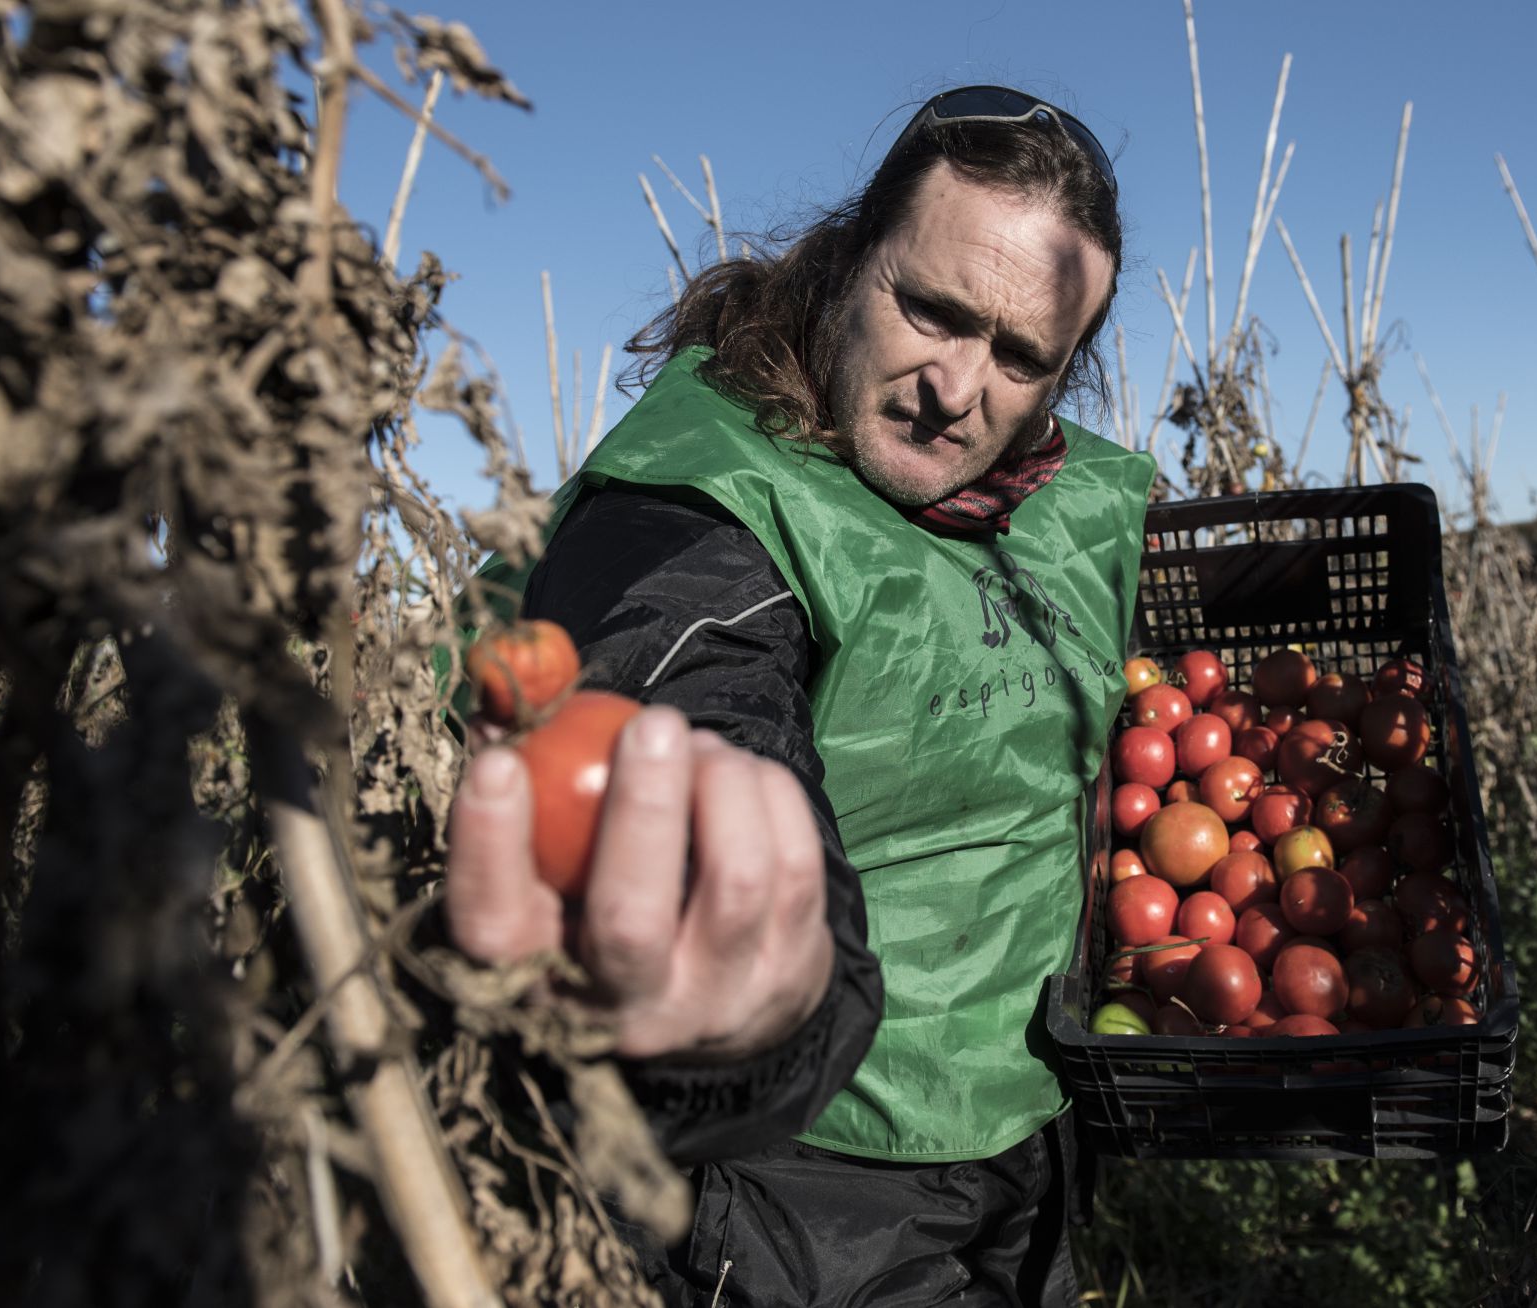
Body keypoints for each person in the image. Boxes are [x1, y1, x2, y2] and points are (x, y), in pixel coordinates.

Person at [444, 85, 1156, 1306]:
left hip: (1028, 1134)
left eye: (1023, 356)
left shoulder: (1059, 492)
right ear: (847, 257)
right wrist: (760, 998)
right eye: (930, 310)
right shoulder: (695, 513)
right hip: (805, 1192)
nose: (957, 386)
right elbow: (693, 718)